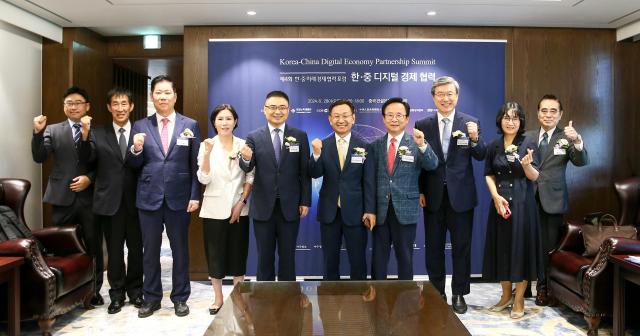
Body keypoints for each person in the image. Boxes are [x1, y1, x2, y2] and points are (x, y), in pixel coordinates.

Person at [126, 75, 201, 318]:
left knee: (180, 250)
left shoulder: (190, 124)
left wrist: (194, 195)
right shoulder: (140, 126)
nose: (163, 97)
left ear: (175, 96)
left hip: (180, 198)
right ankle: (152, 298)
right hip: (149, 197)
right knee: (150, 251)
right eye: (158, 92)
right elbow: (133, 164)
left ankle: (180, 298)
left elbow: (195, 165)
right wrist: (136, 149)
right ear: (152, 96)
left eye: (167, 92)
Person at [415, 76, 487, 314]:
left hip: (462, 197)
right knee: (433, 248)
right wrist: (420, 191)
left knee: (461, 248)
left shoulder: (470, 122)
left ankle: (458, 293)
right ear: (434, 97)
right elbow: (419, 162)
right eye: (440, 94)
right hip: (433, 196)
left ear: (457, 96)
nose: (445, 98)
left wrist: (475, 139)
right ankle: (437, 293)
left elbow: (480, 155)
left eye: (450, 94)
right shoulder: (422, 124)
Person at [31, 86, 104, 306]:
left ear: (87, 106)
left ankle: (94, 291)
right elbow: (39, 157)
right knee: (63, 246)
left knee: (93, 245)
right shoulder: (52, 130)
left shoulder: (98, 131)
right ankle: (66, 292)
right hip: (62, 197)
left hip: (90, 197)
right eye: (69, 103)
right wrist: (37, 133)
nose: (73, 106)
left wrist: (89, 179)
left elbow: (104, 164)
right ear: (64, 107)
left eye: (78, 102)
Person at [239, 90, 311, 281]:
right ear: (264, 110)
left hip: (290, 206)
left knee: (288, 258)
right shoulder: (254, 136)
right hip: (263, 207)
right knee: (264, 258)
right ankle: (265, 302)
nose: (277, 111)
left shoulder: (300, 136)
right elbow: (248, 166)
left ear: (288, 110)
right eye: (272, 107)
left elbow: (305, 172)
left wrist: (305, 200)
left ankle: (289, 301)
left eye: (282, 107)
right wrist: (245, 158)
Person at [525, 94, 589, 306]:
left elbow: (581, 161)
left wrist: (577, 140)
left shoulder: (567, 136)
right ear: (538, 113)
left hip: (552, 200)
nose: (548, 115)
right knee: (525, 242)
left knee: (548, 247)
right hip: (527, 198)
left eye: (553, 111)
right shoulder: (528, 135)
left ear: (560, 114)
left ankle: (544, 288)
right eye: (544, 110)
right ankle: (523, 286)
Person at [482, 101, 543, 319]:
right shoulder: (494, 145)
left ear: (521, 121)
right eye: (507, 117)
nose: (510, 122)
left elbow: (535, 176)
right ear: (500, 120)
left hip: (522, 204)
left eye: (515, 118)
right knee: (502, 249)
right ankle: (506, 295)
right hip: (500, 205)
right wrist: (495, 196)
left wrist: (526, 165)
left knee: (521, 250)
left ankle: (519, 300)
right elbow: (488, 173)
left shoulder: (529, 142)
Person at [370, 97, 438, 280]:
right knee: (378, 258)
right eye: (390, 115)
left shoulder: (416, 143)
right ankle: (378, 300)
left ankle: (405, 301)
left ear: (407, 119)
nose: (394, 119)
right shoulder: (374, 146)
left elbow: (432, 165)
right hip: (380, 209)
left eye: (399, 115)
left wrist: (422, 145)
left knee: (405, 257)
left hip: (406, 210)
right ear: (383, 119)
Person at [89, 87, 143, 313]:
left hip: (137, 201)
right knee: (114, 251)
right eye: (115, 104)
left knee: (136, 249)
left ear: (131, 106)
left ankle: (136, 291)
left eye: (124, 104)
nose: (120, 108)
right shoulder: (96, 132)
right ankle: (117, 295)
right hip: (109, 202)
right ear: (109, 107)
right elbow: (89, 163)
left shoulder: (142, 131)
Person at [309, 99, 376, 280]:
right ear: (330, 120)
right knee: (330, 261)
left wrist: (370, 210)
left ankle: (359, 305)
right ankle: (330, 305)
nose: (341, 120)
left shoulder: (364, 146)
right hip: (329, 211)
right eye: (336, 116)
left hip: (356, 212)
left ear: (353, 118)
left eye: (345, 116)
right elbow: (315, 173)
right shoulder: (322, 145)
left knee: (358, 260)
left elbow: (369, 181)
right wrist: (315, 154)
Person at [197, 104, 253, 315]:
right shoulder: (207, 145)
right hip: (213, 209)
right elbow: (203, 178)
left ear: (235, 121)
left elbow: (250, 176)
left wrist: (241, 203)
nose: (224, 123)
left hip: (239, 209)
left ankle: (237, 299)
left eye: (228, 119)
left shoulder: (244, 144)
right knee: (215, 256)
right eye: (220, 119)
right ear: (214, 122)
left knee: (238, 255)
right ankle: (218, 299)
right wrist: (207, 156)